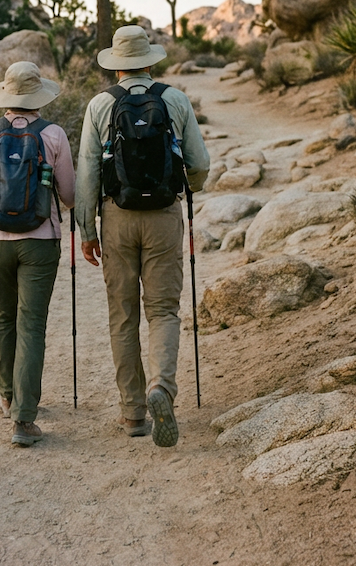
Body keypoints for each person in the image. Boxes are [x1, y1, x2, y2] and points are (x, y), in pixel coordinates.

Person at [76, 25, 210, 447]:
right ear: (150, 60)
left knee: (123, 316)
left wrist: (86, 229)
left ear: (115, 65)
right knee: (164, 311)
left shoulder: (100, 105)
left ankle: (133, 412)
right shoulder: (174, 99)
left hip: (117, 217)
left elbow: (88, 175)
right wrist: (187, 185)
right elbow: (200, 164)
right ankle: (161, 389)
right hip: (164, 217)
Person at [0, 61, 75, 447]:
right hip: (40, 240)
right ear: (38, 97)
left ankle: (7, 395)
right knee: (32, 324)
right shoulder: (54, 134)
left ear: (8, 97)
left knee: (3, 318)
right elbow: (69, 195)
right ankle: (24, 419)